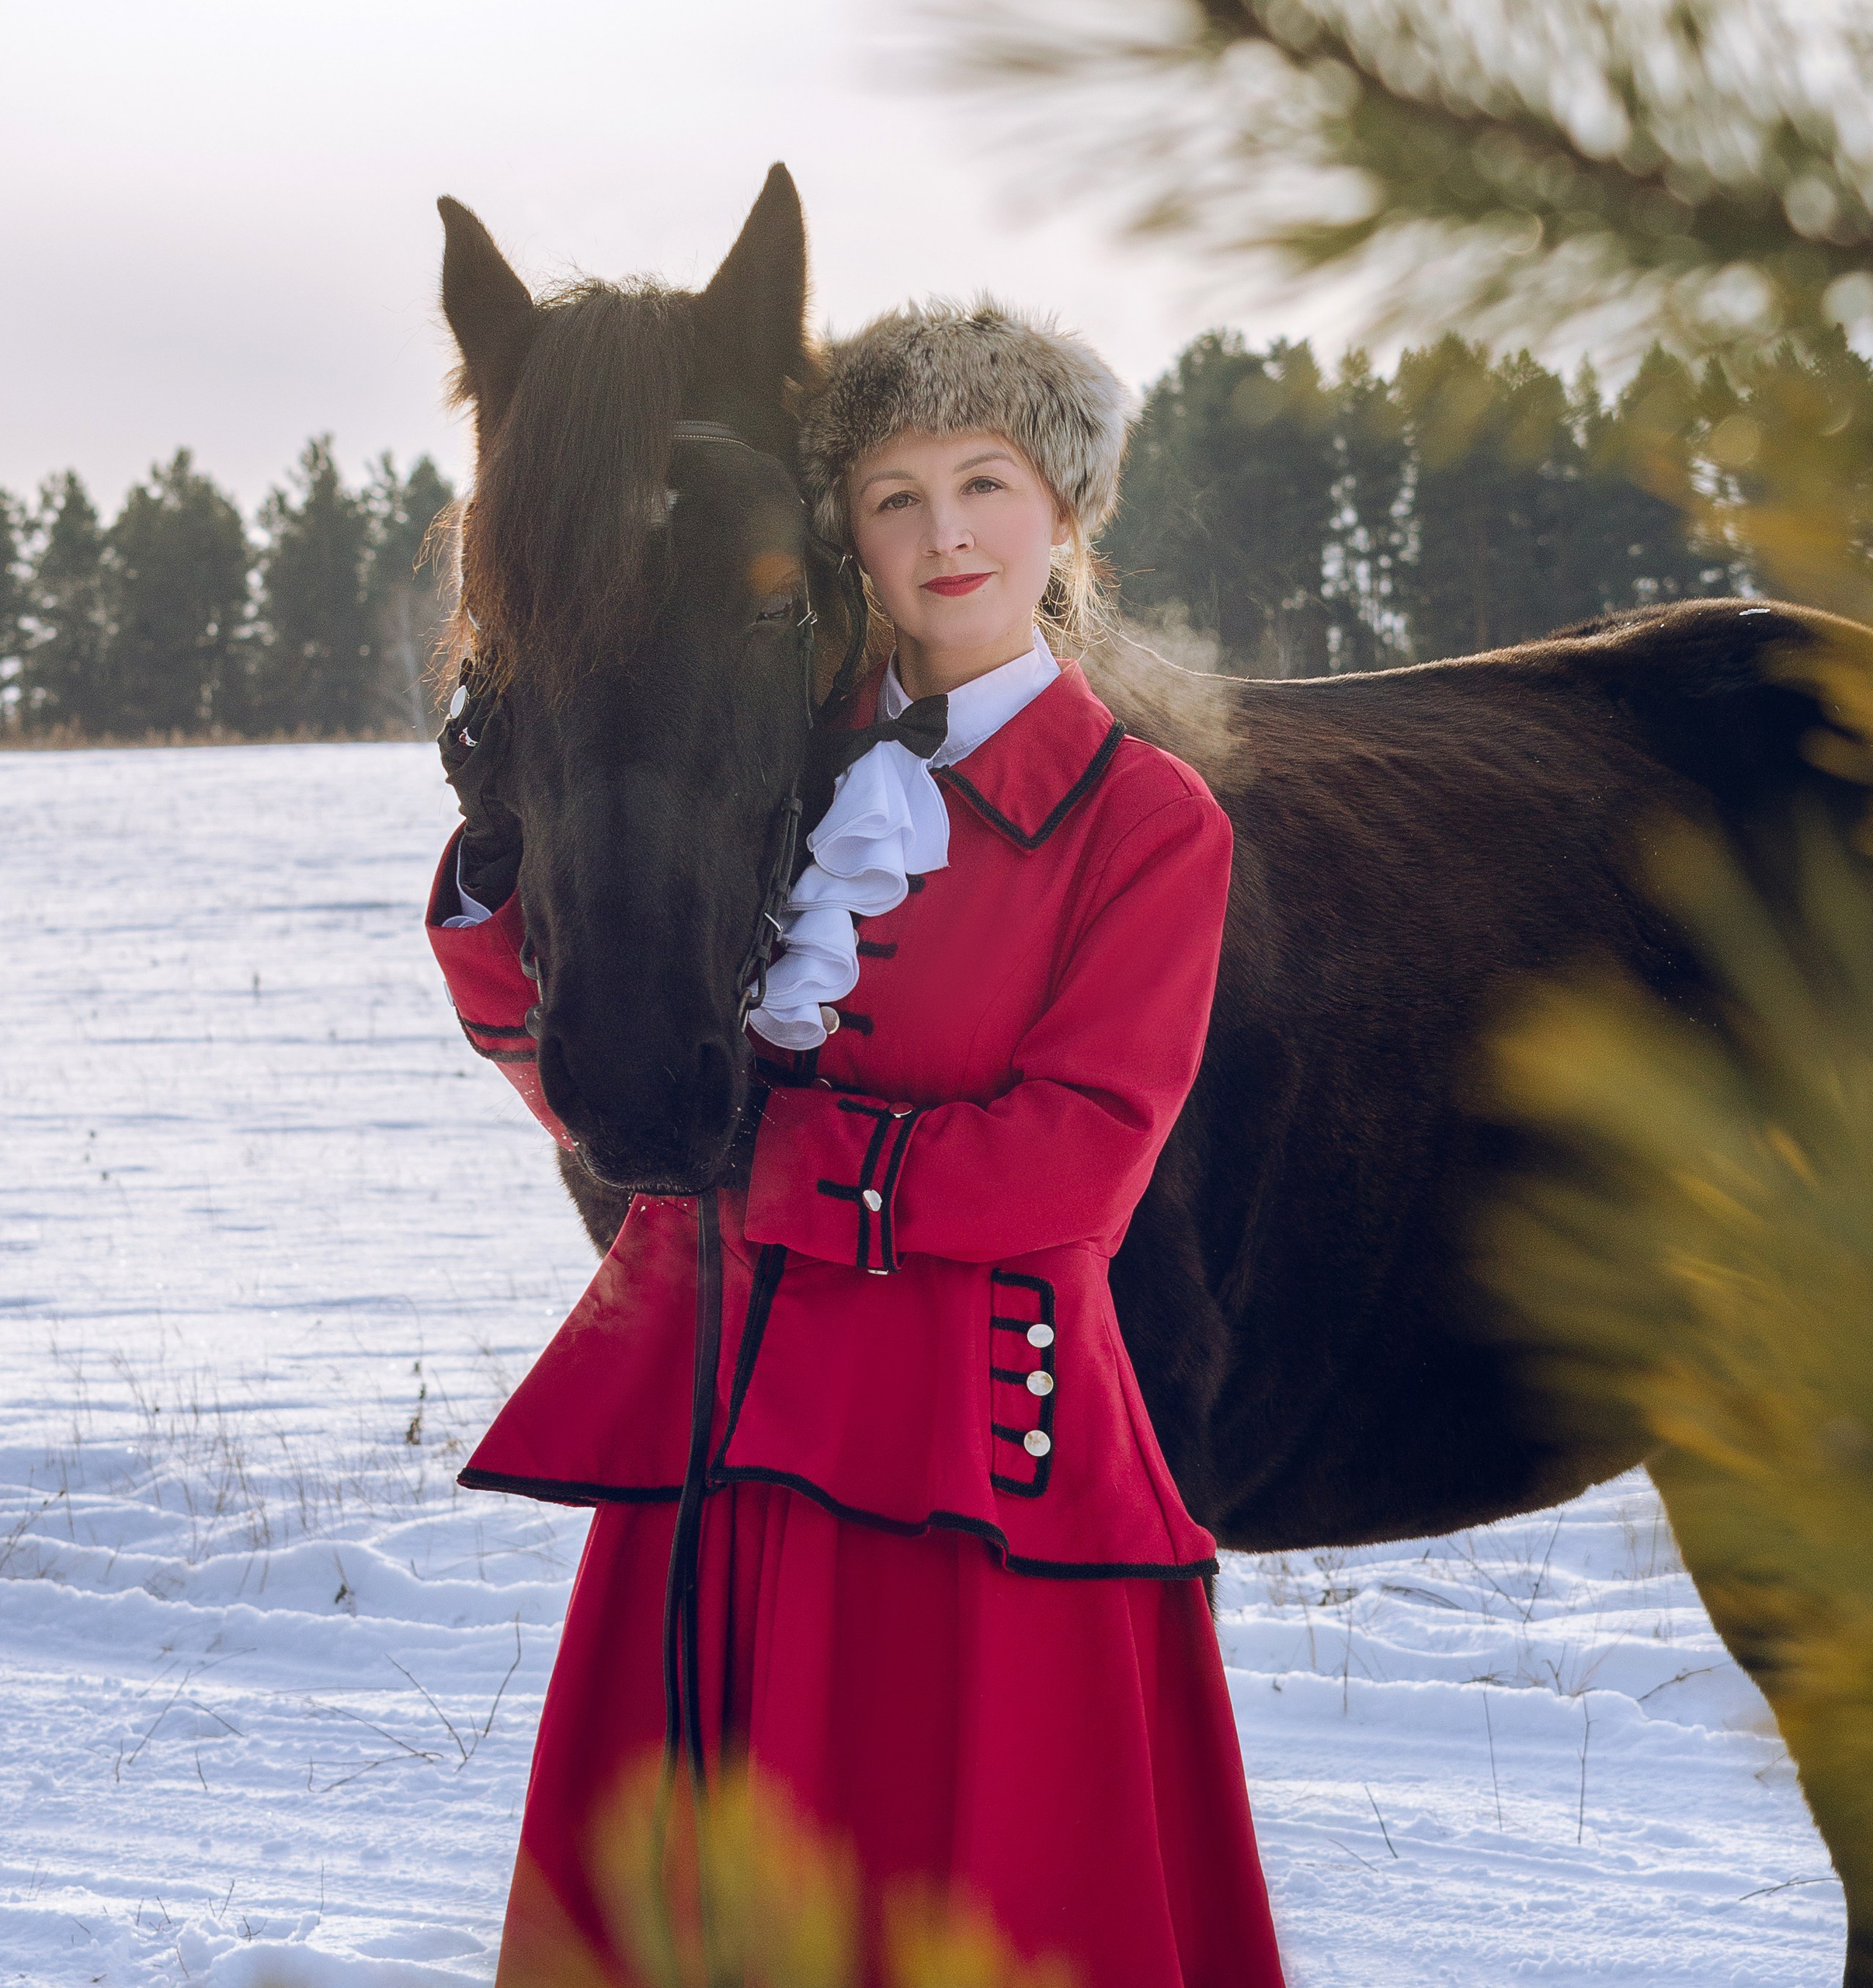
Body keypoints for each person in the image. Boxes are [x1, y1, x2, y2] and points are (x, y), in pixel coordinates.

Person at [427, 297, 1286, 1986]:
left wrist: (795, 1174)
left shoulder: (1142, 820)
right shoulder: (780, 787)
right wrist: (495, 872)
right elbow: (602, 1082)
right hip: (726, 1433)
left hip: (973, 1462)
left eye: (987, 481)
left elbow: (1075, 1165)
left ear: (1065, 512)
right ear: (847, 540)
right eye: (894, 497)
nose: (945, 531)